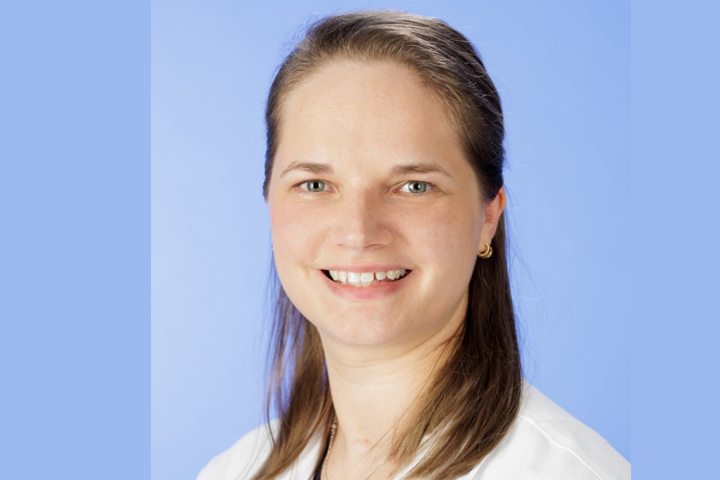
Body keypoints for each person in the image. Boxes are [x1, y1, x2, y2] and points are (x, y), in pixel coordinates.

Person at [198, 10, 630, 480]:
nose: (358, 232)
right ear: (269, 202)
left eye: (414, 186)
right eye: (315, 185)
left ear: (488, 216)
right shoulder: (232, 471)